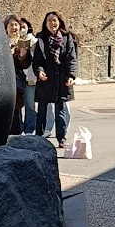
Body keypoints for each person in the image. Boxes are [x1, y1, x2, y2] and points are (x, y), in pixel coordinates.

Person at [33, 12, 77, 148]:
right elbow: (38, 60)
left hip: (61, 79)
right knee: (42, 110)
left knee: (61, 111)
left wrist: (71, 75)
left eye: (54, 20)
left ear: (59, 22)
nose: (52, 23)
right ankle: (39, 137)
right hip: (46, 79)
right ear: (45, 24)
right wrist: (39, 71)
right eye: (49, 21)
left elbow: (71, 58)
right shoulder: (41, 39)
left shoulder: (66, 38)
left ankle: (61, 139)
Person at [5, 14, 31, 135]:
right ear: (6, 27)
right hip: (3, 82)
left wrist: (22, 56)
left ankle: (16, 135)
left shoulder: (22, 42)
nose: (14, 27)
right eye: (11, 25)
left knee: (16, 110)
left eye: (16, 25)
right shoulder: (0, 42)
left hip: (17, 82)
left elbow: (25, 64)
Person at [19, 18, 37, 135]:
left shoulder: (34, 41)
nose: (22, 30)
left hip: (30, 77)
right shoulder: (14, 41)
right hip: (18, 78)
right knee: (18, 106)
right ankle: (19, 129)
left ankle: (29, 129)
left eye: (23, 27)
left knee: (30, 105)